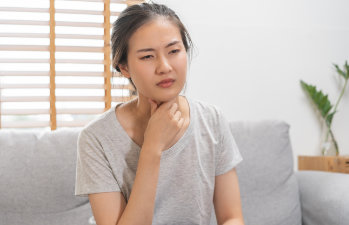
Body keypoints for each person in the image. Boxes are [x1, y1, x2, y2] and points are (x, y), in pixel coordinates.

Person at [75, 2, 244, 225]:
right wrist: (152, 148)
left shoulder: (212, 119)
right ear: (124, 67)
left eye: (174, 51)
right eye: (147, 56)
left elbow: (232, 217)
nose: (164, 66)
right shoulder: (96, 138)